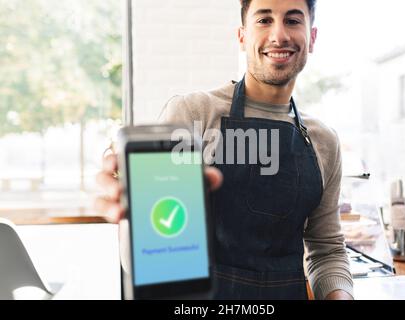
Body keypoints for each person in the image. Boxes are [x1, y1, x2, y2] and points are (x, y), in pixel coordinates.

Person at [96, 0, 353, 300]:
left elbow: (327, 249)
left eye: (293, 21)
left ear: (312, 38)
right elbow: (154, 257)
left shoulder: (323, 141)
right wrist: (136, 214)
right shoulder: (194, 115)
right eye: (264, 20)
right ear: (242, 36)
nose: (279, 35)